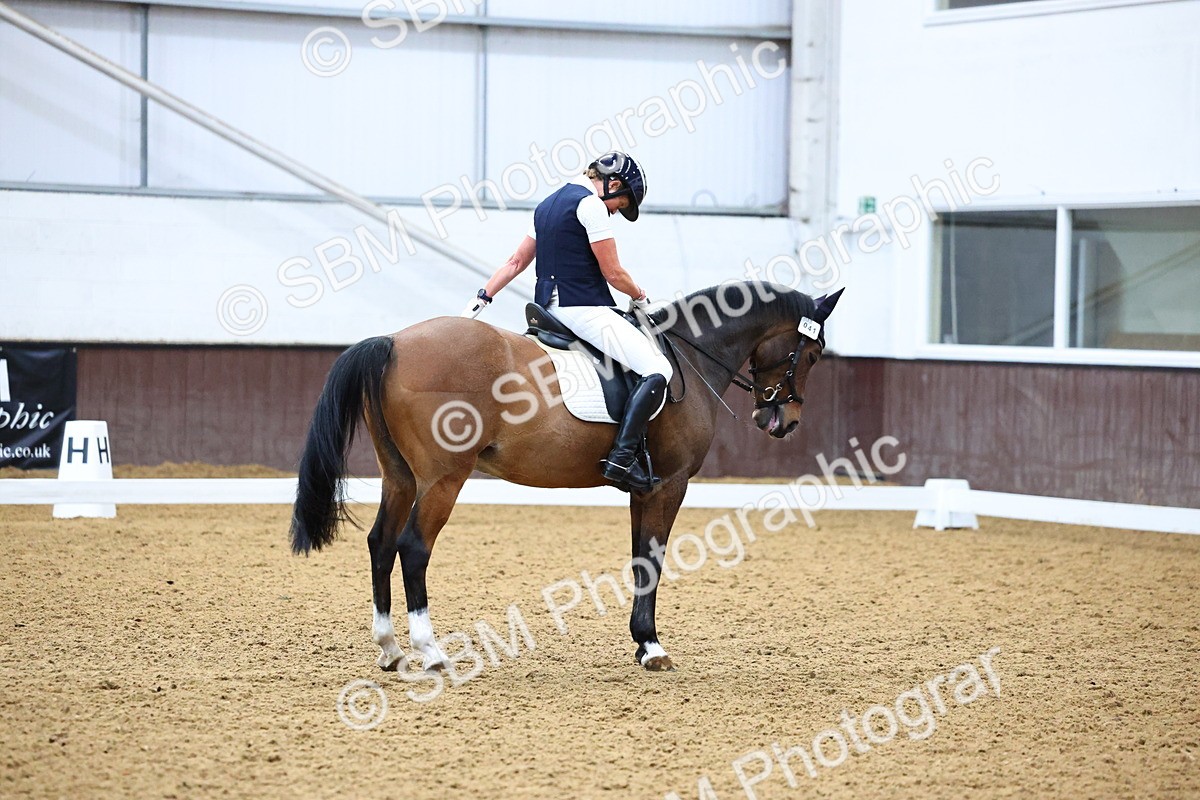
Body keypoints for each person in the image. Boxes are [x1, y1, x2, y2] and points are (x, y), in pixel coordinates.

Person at [461, 151, 672, 493]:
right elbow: (613, 273)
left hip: (548, 309)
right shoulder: (591, 206)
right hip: (582, 308)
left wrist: (482, 298)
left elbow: (515, 262)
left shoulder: (545, 206)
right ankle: (621, 459)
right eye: (620, 204)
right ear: (613, 184)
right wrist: (640, 297)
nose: (615, 211)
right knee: (658, 369)